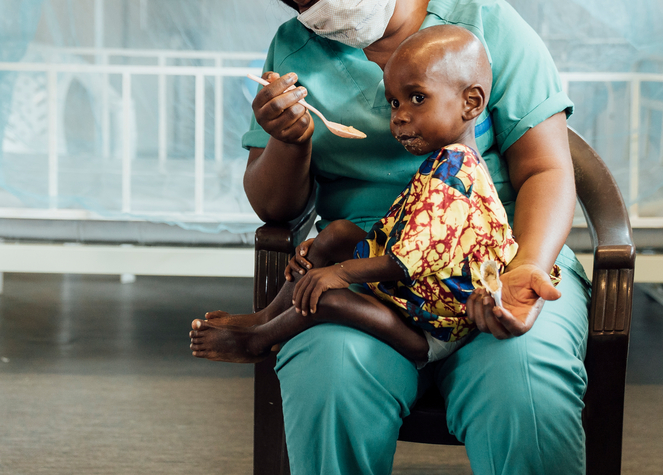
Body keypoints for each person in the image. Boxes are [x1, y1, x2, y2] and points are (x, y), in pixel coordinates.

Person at [195, 0, 590, 475]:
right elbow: (275, 209)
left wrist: (528, 267)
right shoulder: (295, 50)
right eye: (304, 0)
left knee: (524, 383)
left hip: (498, 256)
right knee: (330, 378)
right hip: (367, 275)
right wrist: (288, 142)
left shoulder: (487, 26)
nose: (328, 5)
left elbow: (545, 169)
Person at [190, 25, 550, 367]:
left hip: (436, 324)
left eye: (417, 98)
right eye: (394, 103)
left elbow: (407, 259)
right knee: (337, 234)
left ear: (471, 103)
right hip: (421, 289)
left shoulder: (456, 175)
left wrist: (341, 273)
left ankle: (259, 340)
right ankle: (264, 316)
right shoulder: (445, 160)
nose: (399, 118)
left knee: (327, 296)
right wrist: (323, 252)